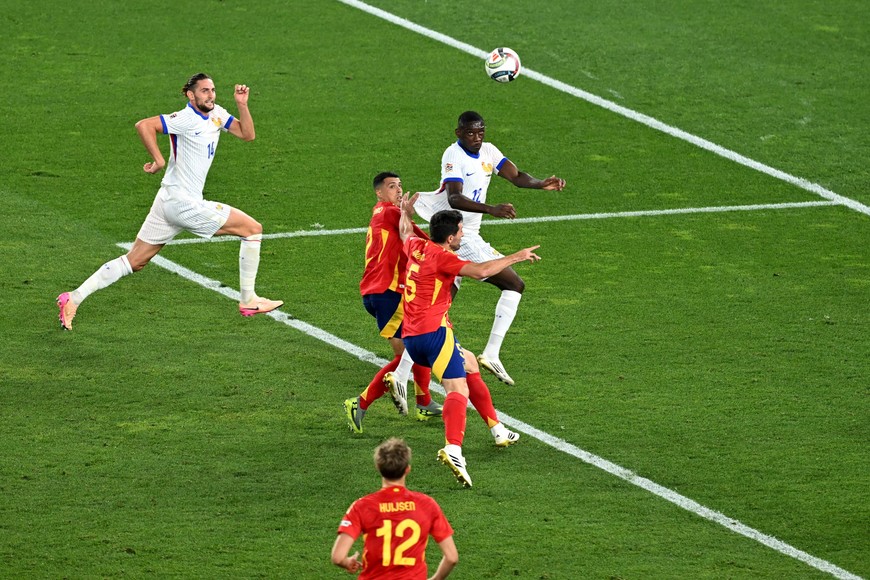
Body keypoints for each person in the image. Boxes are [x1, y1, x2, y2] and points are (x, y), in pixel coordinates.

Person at [56, 72, 282, 330]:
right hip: (184, 203)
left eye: (213, 90)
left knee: (135, 260)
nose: (210, 95)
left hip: (167, 201)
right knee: (252, 229)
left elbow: (247, 134)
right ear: (191, 94)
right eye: (204, 91)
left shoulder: (217, 113)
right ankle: (249, 300)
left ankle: (73, 298)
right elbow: (144, 125)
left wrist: (242, 104)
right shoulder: (185, 118)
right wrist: (159, 159)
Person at [414, 111, 565, 386]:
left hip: (461, 235)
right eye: (470, 133)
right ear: (458, 133)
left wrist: (540, 183)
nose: (476, 138)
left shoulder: (489, 151)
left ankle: (401, 372)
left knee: (440, 304)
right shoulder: (453, 155)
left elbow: (517, 176)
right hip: (460, 236)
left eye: (480, 132)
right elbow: (455, 197)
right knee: (514, 284)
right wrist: (491, 209)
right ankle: (491, 353)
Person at [399, 197, 539, 487]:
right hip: (433, 335)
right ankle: (453, 448)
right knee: (457, 388)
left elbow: (404, 231)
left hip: (413, 335)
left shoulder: (417, 246)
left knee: (470, 363)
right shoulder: (444, 257)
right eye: (461, 232)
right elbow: (481, 272)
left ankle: (497, 429)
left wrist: (405, 210)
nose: (463, 235)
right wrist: (517, 256)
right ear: (450, 238)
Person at [344, 172, 442, 433]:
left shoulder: (383, 213)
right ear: (379, 192)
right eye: (391, 186)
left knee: (415, 346)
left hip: (381, 291)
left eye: (400, 185)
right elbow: (425, 241)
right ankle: (359, 403)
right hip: (387, 292)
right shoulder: (389, 212)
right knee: (406, 355)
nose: (398, 190)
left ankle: (424, 402)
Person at [332, 438, 458, 579]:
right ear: (407, 469)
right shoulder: (427, 505)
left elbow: (337, 557)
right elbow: (451, 557)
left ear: (378, 468)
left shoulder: (362, 506)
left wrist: (346, 562)